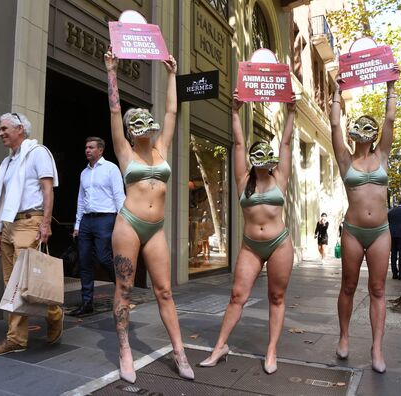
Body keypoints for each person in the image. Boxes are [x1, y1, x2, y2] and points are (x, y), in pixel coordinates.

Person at [104, 47, 194, 383]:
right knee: (124, 290)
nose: (143, 123)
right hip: (129, 224)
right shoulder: (125, 152)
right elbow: (115, 110)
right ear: (129, 131)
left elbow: (171, 112)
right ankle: (125, 350)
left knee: (165, 292)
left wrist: (172, 74)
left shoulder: (162, 148)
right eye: (135, 121)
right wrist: (112, 70)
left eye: (145, 118)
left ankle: (179, 351)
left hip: (156, 229)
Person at [199, 89, 296, 374]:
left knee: (276, 297)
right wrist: (234, 111)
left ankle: (271, 351)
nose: (263, 157)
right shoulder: (244, 179)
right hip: (251, 245)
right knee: (237, 296)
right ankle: (220, 346)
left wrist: (291, 112)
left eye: (267, 153)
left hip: (279, 243)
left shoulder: (280, 176)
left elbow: (287, 142)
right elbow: (239, 142)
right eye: (258, 153)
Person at [330, 65, 400, 373]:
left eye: (370, 127)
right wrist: (336, 93)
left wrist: (391, 88)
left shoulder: (383, 154)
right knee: (348, 286)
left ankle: (377, 348)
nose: (367, 129)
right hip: (354, 231)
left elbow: (391, 119)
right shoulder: (346, 159)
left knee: (378, 289)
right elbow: (333, 127)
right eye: (361, 126)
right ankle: (344, 336)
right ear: (353, 132)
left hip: (381, 232)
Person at [0, 112, 63, 356]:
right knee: (11, 285)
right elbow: (3, 199)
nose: (0, 133)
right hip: (9, 225)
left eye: (4, 128)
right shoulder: (8, 162)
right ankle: (46, 317)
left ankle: (18, 338)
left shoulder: (37, 153)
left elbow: (47, 189)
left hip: (30, 222)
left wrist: (46, 223)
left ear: (20, 129)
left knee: (23, 284)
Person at [70, 137, 125, 316]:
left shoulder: (111, 168)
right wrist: (77, 224)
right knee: (84, 261)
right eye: (86, 147)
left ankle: (123, 289)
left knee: (103, 258)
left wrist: (123, 221)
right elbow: (80, 199)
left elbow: (119, 196)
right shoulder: (83, 173)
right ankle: (87, 304)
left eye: (91, 147)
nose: (87, 150)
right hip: (86, 220)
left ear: (100, 150)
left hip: (105, 219)